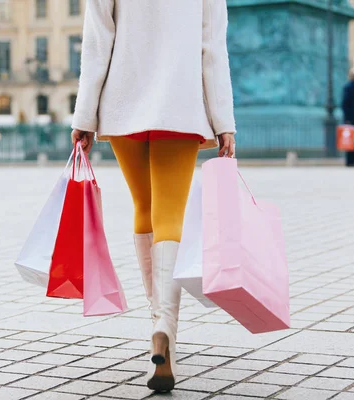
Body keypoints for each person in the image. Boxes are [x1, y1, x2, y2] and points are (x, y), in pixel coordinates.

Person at [70, 0, 235, 392]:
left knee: (143, 207)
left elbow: (98, 37)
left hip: (123, 99)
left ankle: (157, 322)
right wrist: (223, 119)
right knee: (170, 215)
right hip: (179, 103)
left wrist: (84, 115)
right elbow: (211, 45)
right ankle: (166, 329)